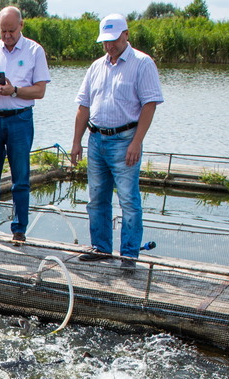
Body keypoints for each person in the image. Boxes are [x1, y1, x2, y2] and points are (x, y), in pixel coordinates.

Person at [70, 13, 164, 269]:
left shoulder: (142, 63)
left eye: (113, 40)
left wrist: (136, 142)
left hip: (125, 140)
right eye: (105, 42)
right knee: (97, 198)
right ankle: (101, 248)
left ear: (126, 35)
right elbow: (83, 106)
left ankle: (128, 254)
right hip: (96, 139)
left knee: (128, 200)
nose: (109, 46)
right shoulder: (96, 66)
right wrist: (77, 142)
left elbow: (150, 105)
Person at [0, 6, 50, 244]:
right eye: (3, 31)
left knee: (20, 176)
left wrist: (14, 90)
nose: (7, 36)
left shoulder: (34, 50)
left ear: (21, 26)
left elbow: (40, 90)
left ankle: (19, 229)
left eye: (11, 31)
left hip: (20, 118)